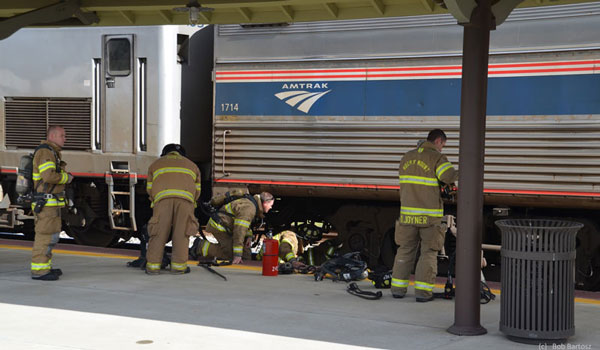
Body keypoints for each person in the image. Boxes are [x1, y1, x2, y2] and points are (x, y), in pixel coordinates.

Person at [391, 129, 458, 302]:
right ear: (438, 141)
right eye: (443, 145)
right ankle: (422, 293)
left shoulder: (407, 157)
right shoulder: (436, 157)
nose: (442, 149)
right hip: (429, 217)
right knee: (428, 253)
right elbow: (449, 177)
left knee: (405, 251)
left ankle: (397, 290)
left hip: (407, 216)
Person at [145, 144, 201, 275]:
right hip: (185, 202)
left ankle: (153, 267)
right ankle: (178, 267)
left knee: (158, 233)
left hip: (162, 200)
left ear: (165, 153)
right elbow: (197, 191)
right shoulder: (192, 166)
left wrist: (156, 199)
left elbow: (149, 188)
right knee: (181, 234)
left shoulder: (155, 165)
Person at [31, 125, 73, 281]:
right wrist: (66, 178)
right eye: (63, 135)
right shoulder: (45, 152)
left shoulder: (52, 152)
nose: (65, 139)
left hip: (50, 204)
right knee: (45, 237)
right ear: (53, 136)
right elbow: (48, 176)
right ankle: (39, 271)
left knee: (51, 237)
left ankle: (45, 267)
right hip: (46, 204)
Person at [191, 191, 274, 264]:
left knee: (246, 255)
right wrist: (237, 255)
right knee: (230, 255)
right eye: (270, 205)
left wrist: (248, 236)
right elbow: (239, 231)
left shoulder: (251, 205)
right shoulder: (249, 209)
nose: (271, 207)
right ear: (265, 203)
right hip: (219, 227)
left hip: (227, 227)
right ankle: (199, 246)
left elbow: (244, 225)